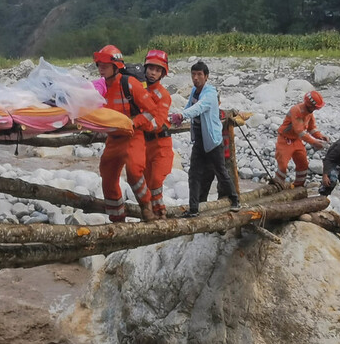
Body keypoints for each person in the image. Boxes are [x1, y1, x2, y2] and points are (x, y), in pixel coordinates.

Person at [94, 44, 160, 223]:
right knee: (107, 175)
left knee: (134, 172)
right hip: (113, 139)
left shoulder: (129, 84)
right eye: (99, 65)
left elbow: (151, 110)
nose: (101, 69)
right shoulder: (99, 89)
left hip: (133, 136)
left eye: (105, 65)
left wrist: (134, 122)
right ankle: (117, 217)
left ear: (116, 67)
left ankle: (146, 208)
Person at [170, 61, 240, 216]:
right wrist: (176, 117)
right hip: (200, 141)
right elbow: (189, 107)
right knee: (193, 174)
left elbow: (199, 108)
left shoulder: (209, 94)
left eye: (199, 74)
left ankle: (235, 200)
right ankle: (194, 208)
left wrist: (182, 116)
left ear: (206, 76)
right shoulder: (195, 91)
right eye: (193, 74)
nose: (195, 78)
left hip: (213, 141)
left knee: (221, 172)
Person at [141, 50, 174, 218]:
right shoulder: (139, 90)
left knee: (155, 180)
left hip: (161, 144)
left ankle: (160, 214)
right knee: (145, 182)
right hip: (144, 145)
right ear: (145, 68)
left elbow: (158, 121)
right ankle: (151, 214)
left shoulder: (163, 95)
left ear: (162, 73)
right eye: (150, 68)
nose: (152, 73)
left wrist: (137, 124)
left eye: (157, 70)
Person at [273, 91, 328, 188]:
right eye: (314, 107)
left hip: (296, 140)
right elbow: (300, 131)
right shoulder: (296, 110)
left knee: (303, 164)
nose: (315, 109)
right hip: (285, 140)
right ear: (309, 104)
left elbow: (311, 128)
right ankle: (277, 185)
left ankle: (298, 186)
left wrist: (320, 136)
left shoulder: (309, 113)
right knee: (283, 165)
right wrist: (314, 142)